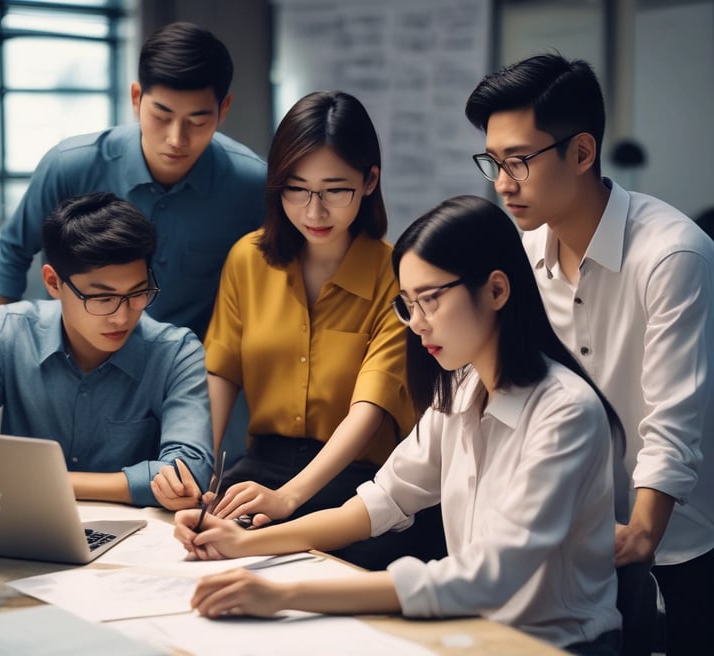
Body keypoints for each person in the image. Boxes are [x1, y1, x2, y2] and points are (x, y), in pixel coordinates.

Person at [174, 195, 623, 655]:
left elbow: (490, 578)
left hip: (558, 645)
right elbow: (377, 503)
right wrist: (245, 543)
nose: (418, 325)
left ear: (496, 290)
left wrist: (285, 596)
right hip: (476, 634)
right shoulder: (462, 388)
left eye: (430, 301)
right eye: (408, 305)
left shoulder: (565, 412)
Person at [465, 53, 714, 656]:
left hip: (677, 544)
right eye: (494, 162)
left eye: (518, 161)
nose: (502, 183)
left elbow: (672, 423)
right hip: (570, 536)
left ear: (581, 153)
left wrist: (642, 534)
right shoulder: (520, 260)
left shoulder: (673, 256)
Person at [161, 90, 446, 570]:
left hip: (360, 476)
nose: (314, 212)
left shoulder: (396, 275)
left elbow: (369, 411)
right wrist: (195, 471)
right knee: (201, 543)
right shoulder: (247, 259)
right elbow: (220, 377)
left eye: (335, 190)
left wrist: (288, 498)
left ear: (369, 180)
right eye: (296, 189)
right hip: (261, 463)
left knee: (334, 564)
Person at [0, 21, 266, 340]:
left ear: (223, 109)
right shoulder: (70, 165)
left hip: (188, 370)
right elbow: (13, 251)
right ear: (136, 98)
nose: (176, 139)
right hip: (77, 359)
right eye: (162, 116)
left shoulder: (252, 185)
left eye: (197, 120)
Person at [0, 192, 213, 510]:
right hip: (22, 521)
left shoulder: (176, 353)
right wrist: (140, 482)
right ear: (53, 283)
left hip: (134, 538)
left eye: (138, 292)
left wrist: (29, 479)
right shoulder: (9, 331)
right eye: (102, 298)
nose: (122, 316)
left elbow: (190, 472)